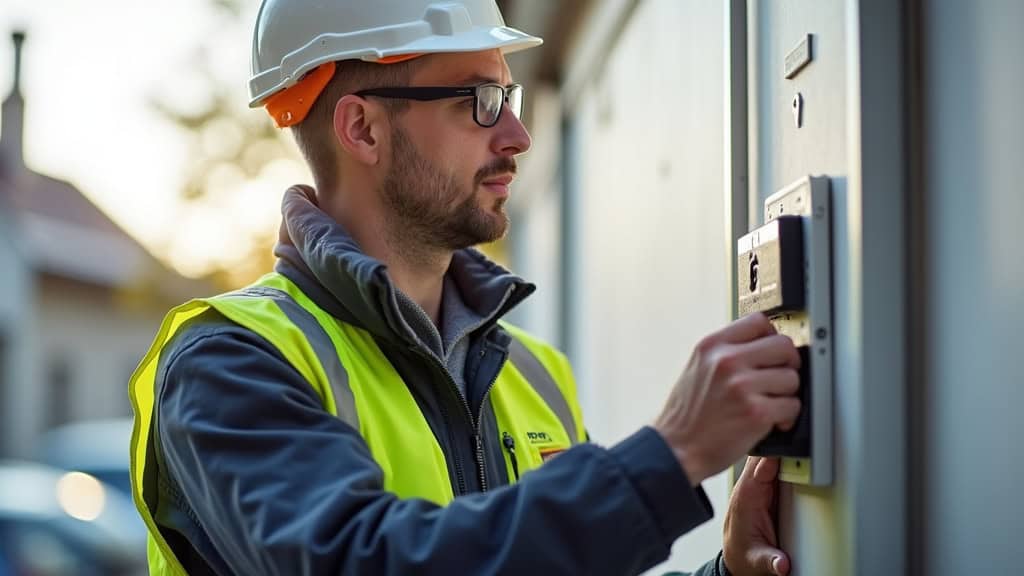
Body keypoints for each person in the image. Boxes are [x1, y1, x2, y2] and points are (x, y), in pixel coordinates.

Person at [128, 1, 802, 574]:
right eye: (480, 102)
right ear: (362, 127)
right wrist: (671, 453)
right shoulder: (229, 363)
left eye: (506, 97)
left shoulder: (532, 373)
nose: (517, 135)